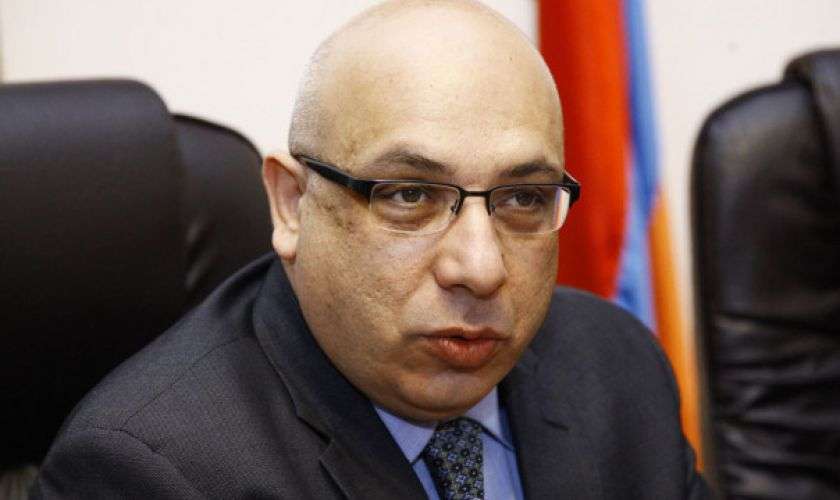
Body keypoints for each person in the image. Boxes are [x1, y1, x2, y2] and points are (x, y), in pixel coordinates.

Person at [32, 0, 709, 498]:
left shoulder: (618, 369)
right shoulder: (147, 473)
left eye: (523, 199)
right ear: (292, 204)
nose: (481, 268)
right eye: (410, 195)